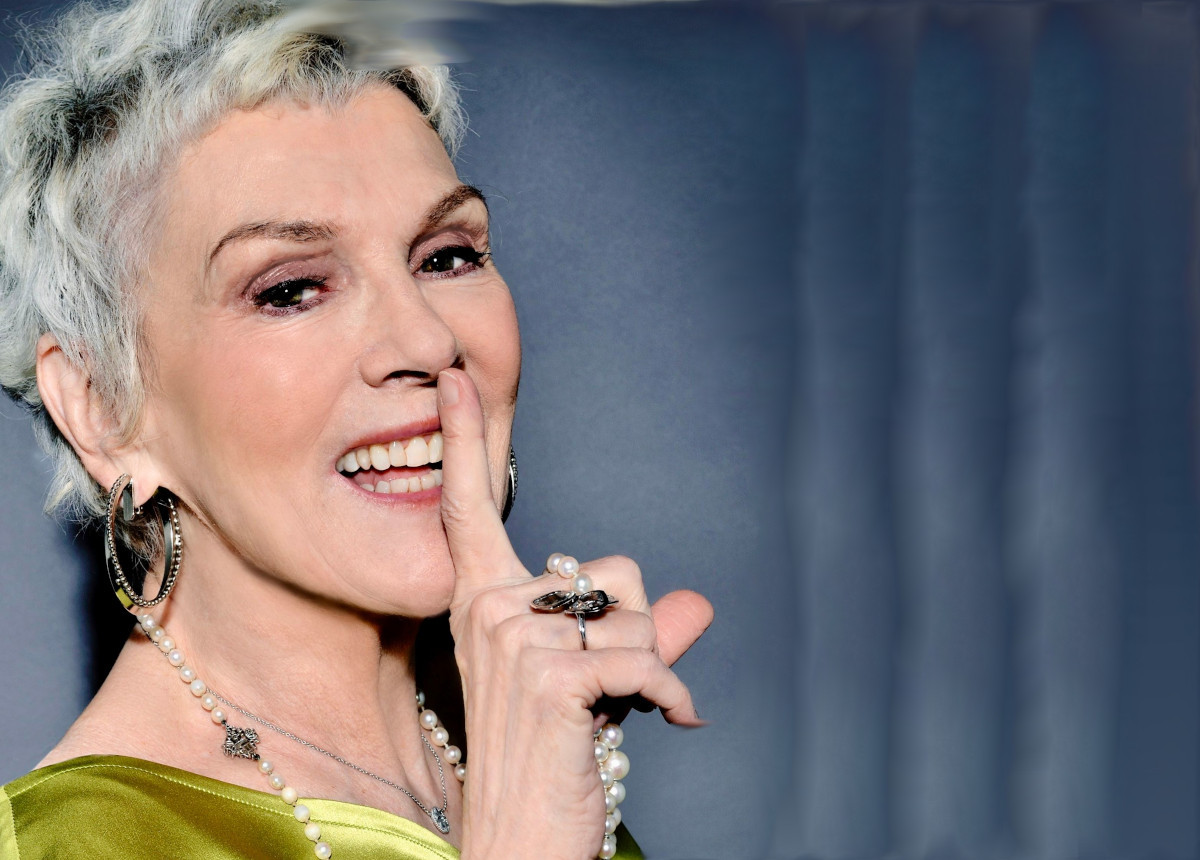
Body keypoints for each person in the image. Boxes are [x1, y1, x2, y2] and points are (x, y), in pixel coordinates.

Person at [0, 1, 713, 857]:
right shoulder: (67, 843)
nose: (427, 341)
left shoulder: (525, 747)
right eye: (290, 289)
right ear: (102, 405)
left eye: (447, 256)